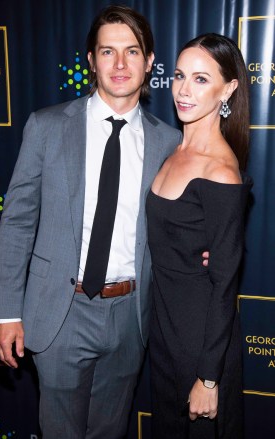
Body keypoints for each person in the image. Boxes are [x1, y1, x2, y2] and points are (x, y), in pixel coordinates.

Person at [0, 5, 183, 439]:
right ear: (91, 60)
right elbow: (18, 221)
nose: (119, 64)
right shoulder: (46, 126)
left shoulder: (169, 143)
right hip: (60, 312)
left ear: (150, 62)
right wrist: (5, 312)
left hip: (130, 315)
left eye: (132, 52)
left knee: (110, 432)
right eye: (107, 52)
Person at [146, 33, 252, 439]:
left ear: (228, 88)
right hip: (164, 329)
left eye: (201, 79)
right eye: (178, 76)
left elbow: (225, 284)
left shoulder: (220, 171)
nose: (184, 90)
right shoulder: (172, 150)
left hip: (201, 338)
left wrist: (209, 378)